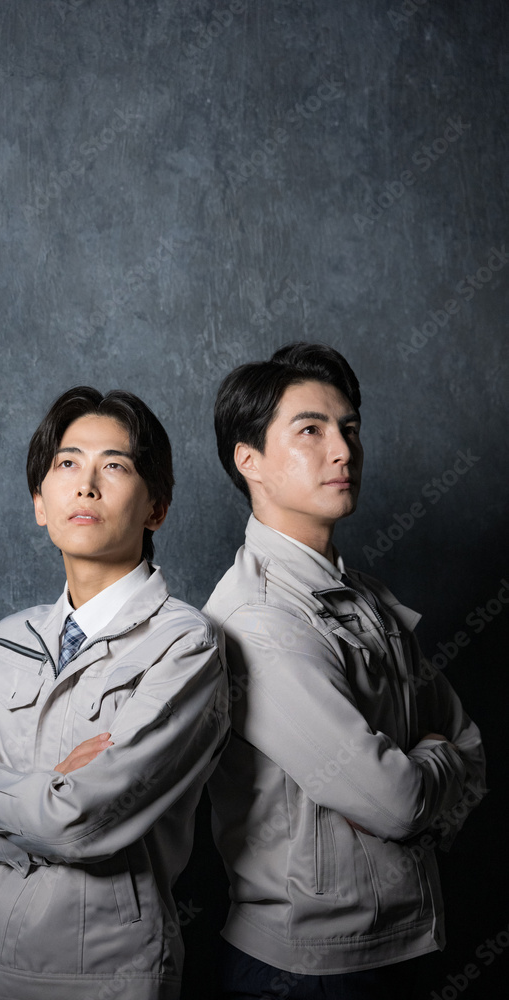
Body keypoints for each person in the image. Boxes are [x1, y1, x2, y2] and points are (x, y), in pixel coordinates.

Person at [0, 386, 228, 1000]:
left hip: (115, 977)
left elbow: (77, 822)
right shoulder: (6, 638)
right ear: (41, 503)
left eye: (114, 466)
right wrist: (47, 797)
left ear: (156, 508)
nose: (85, 485)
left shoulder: (186, 643)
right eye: (67, 464)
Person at [204, 343, 486, 1000]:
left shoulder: (364, 594)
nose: (343, 451)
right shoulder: (257, 617)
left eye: (349, 428)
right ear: (249, 461)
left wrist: (426, 769)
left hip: (407, 941)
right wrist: (429, 764)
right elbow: (396, 803)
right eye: (310, 430)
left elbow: (470, 747)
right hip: (308, 967)